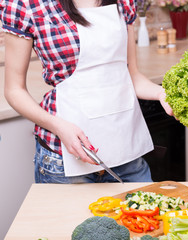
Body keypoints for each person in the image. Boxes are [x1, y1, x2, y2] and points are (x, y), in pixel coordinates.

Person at [1, 0, 172, 183]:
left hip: (126, 157)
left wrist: (161, 94)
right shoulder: (27, 5)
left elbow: (131, 75)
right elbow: (14, 90)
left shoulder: (124, 2)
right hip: (64, 161)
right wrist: (58, 126)